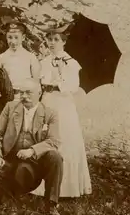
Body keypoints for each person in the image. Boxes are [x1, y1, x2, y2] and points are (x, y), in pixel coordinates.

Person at [0, 78, 65, 215]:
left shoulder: (50, 113)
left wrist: (32, 151)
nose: (24, 96)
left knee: (56, 157)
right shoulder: (11, 108)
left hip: (36, 162)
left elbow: (53, 141)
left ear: (39, 93)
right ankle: (10, 205)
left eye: (28, 93)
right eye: (21, 92)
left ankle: (50, 206)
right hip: (11, 158)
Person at [30, 25, 92, 198]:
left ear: (64, 42)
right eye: (49, 39)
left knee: (64, 138)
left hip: (63, 103)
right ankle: (42, 186)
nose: (52, 42)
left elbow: (73, 86)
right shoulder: (43, 61)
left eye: (56, 39)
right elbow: (37, 82)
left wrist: (58, 80)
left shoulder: (71, 63)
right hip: (47, 100)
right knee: (46, 136)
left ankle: (66, 189)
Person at [0, 20, 41, 100]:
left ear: (23, 37)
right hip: (6, 98)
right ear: (6, 37)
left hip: (25, 97)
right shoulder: (1, 57)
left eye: (16, 37)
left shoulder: (30, 57)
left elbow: (36, 82)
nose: (13, 41)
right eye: (10, 37)